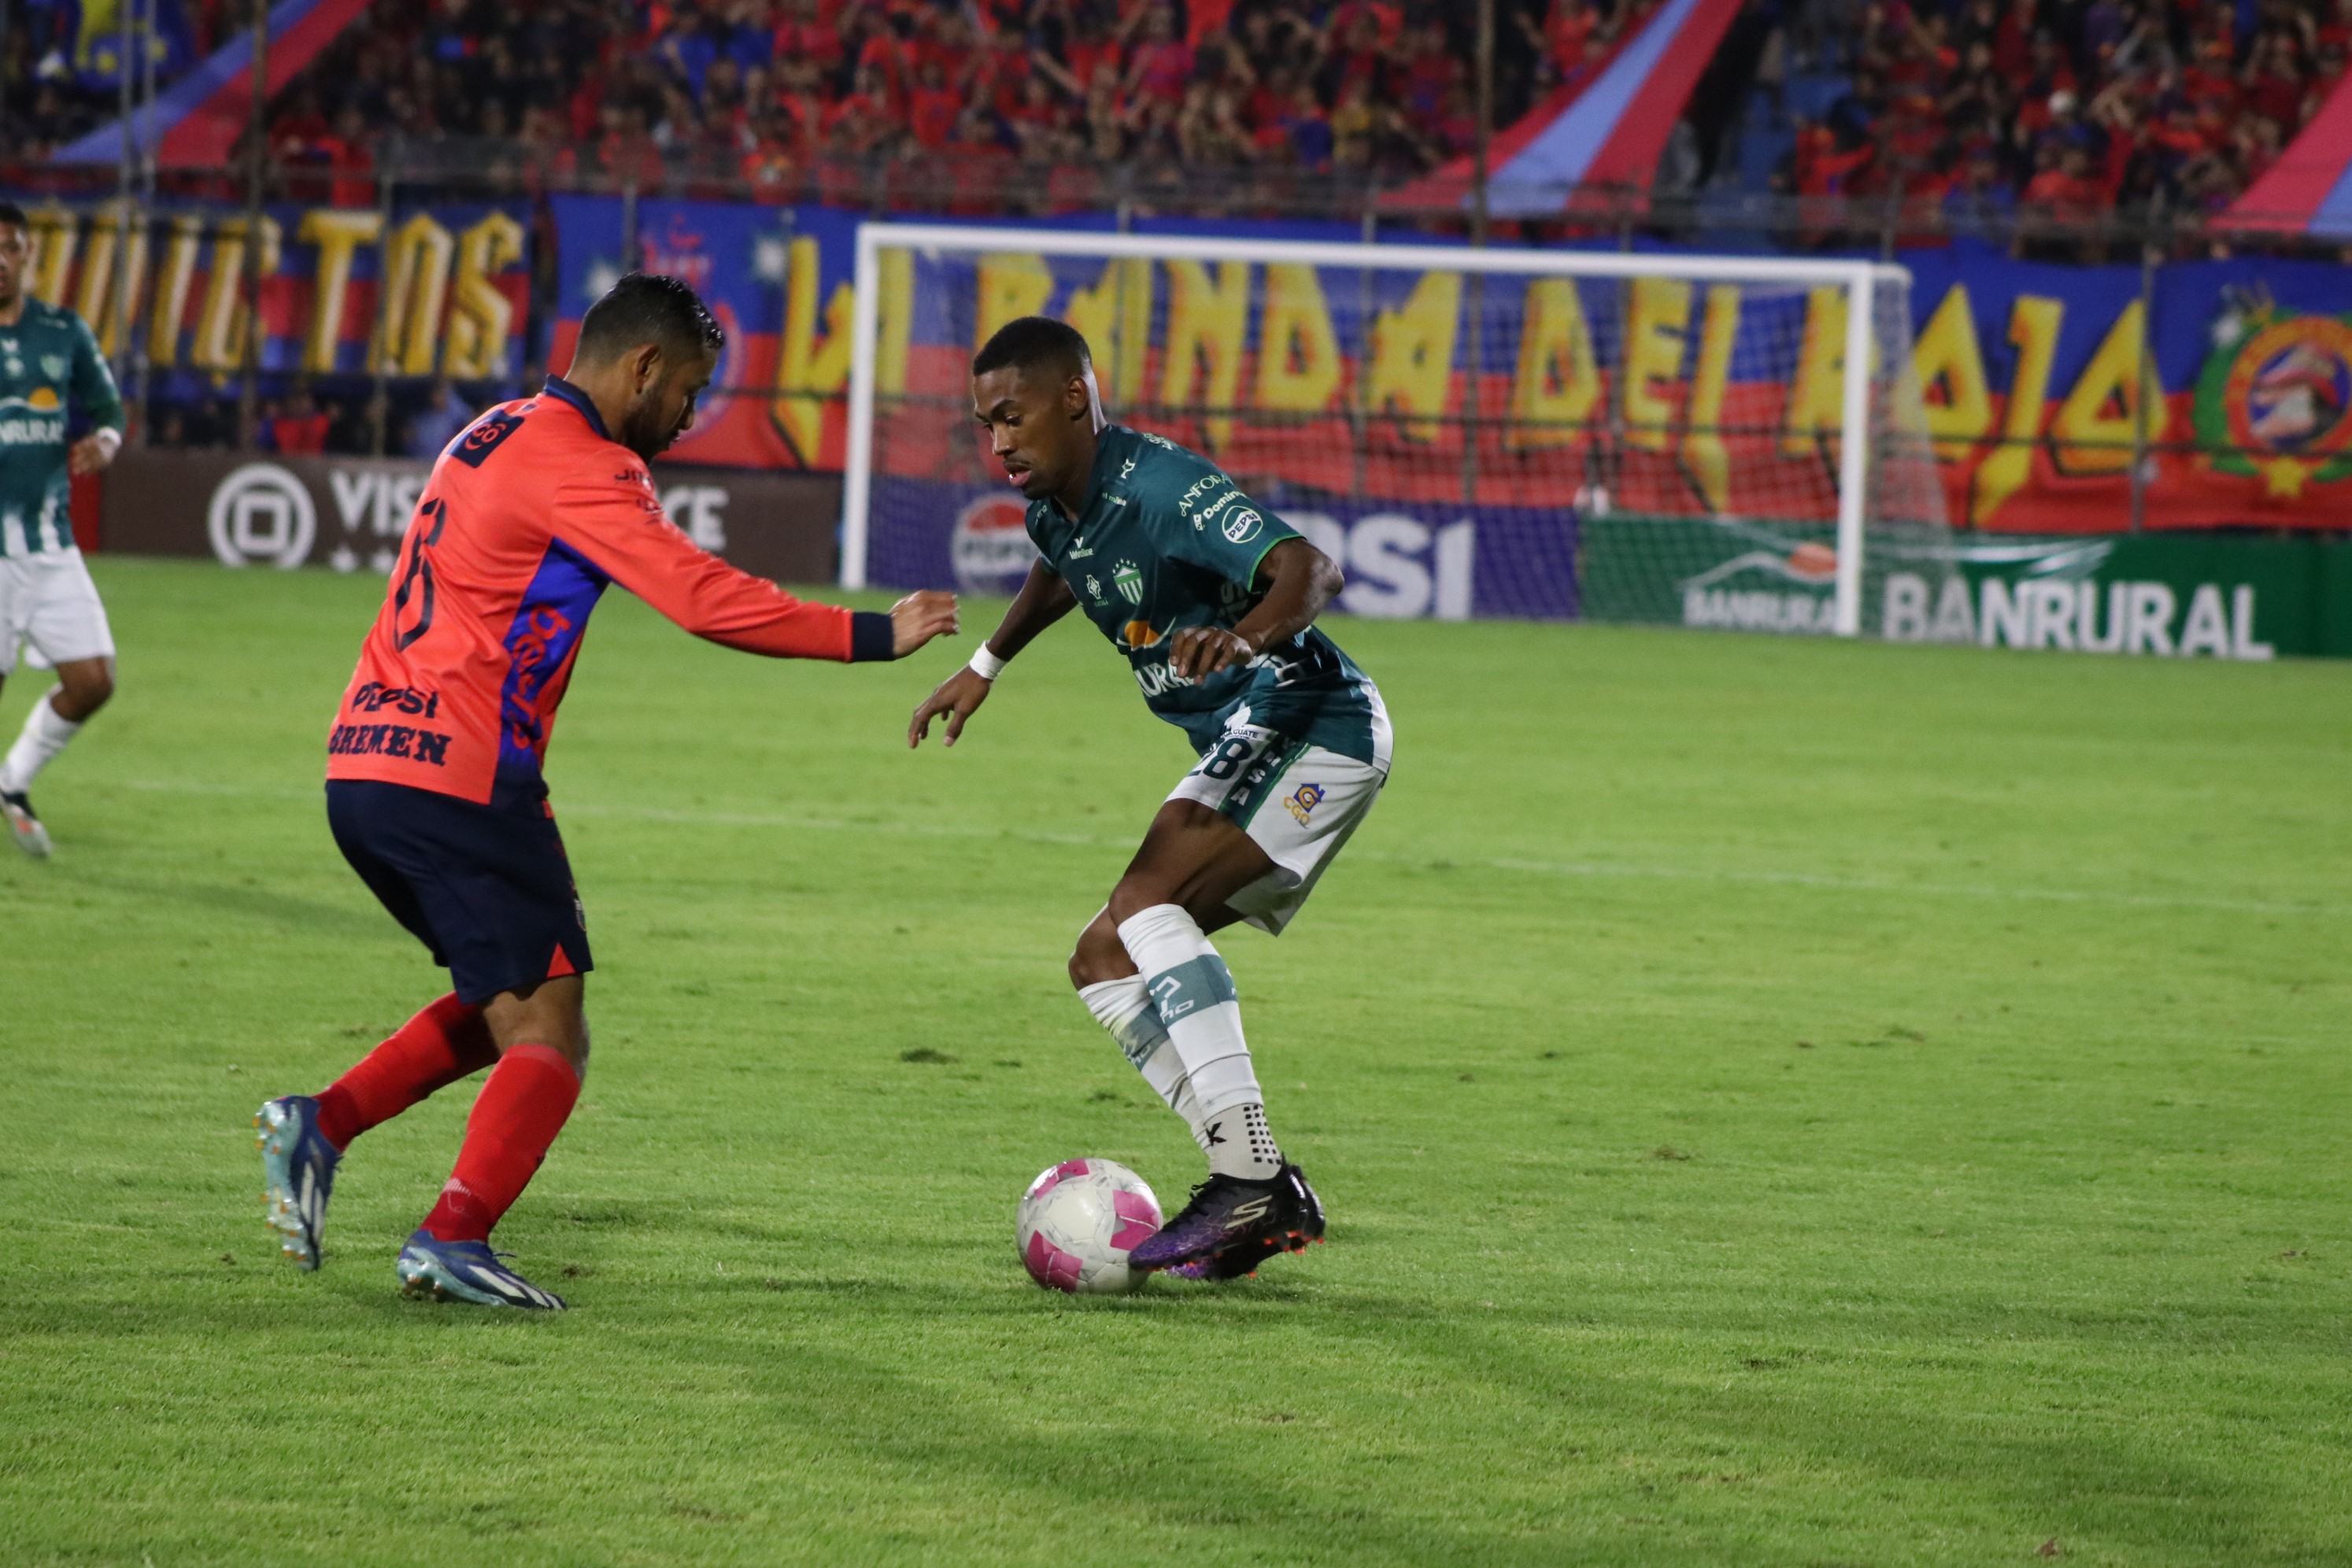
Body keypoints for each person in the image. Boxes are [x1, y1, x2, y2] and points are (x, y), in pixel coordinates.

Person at [255, 273, 958, 1311]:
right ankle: (452, 1233)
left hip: (365, 762)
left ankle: (325, 1124)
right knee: (553, 1028)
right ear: (643, 367)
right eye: (689, 391)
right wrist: (871, 634)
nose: (688, 415)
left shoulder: (492, 428)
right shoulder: (585, 460)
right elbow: (700, 597)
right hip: (462, 773)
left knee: (514, 987)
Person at [908, 316, 1393, 1281]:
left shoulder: (1164, 487)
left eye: (1013, 417)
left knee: (1147, 904)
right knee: (1104, 958)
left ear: (1075, 400)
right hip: (1255, 736)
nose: (998, 442)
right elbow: (1064, 567)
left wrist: (1246, 638)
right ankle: (1263, 1187)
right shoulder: (1055, 506)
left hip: (1311, 720)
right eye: (985, 424)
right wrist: (987, 664)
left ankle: (1245, 1175)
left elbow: (1312, 569)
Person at [0, 200, 125, 859]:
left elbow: (109, 409)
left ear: (28, 256)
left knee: (93, 681)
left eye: (10, 248)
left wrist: (104, 443)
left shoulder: (62, 331)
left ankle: (12, 780)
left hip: (48, 545)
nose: (0, 260)